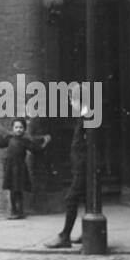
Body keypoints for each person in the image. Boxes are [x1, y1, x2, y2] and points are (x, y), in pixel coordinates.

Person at [45, 88, 94, 249]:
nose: (70, 102)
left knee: (71, 199)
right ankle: (88, 232)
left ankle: (65, 236)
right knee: (87, 198)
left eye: (72, 99)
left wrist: (81, 163)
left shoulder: (88, 116)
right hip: (80, 166)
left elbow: (91, 144)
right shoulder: (84, 115)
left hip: (83, 166)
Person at [0, 118, 50, 219]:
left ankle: (20, 212)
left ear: (24, 129)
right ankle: (13, 211)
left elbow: (35, 149)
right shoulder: (9, 138)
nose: (18, 129)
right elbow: (0, 143)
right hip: (10, 168)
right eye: (16, 127)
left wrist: (45, 143)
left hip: (20, 169)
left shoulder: (25, 141)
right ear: (12, 128)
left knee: (18, 190)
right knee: (12, 190)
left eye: (21, 127)